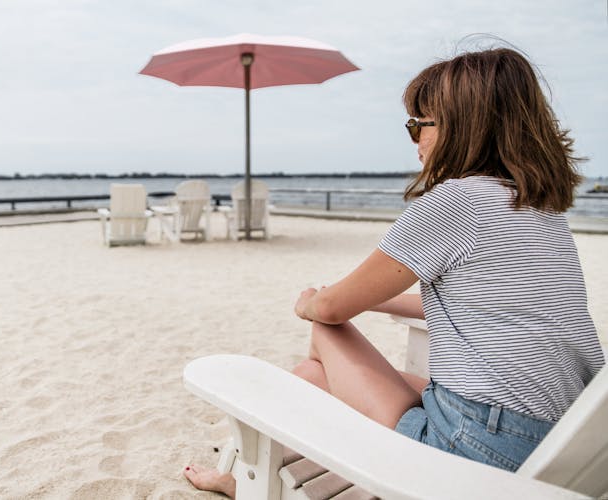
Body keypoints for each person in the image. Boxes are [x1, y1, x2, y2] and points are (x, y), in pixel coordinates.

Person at [184, 45, 605, 498]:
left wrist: (310, 300)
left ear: (462, 127)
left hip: (478, 447)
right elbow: (488, 306)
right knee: (316, 376)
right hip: (559, 441)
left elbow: (330, 308)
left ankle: (252, 481)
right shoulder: (540, 210)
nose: (415, 140)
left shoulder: (456, 203)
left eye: (417, 125)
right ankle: (249, 478)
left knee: (325, 336)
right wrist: (380, 298)